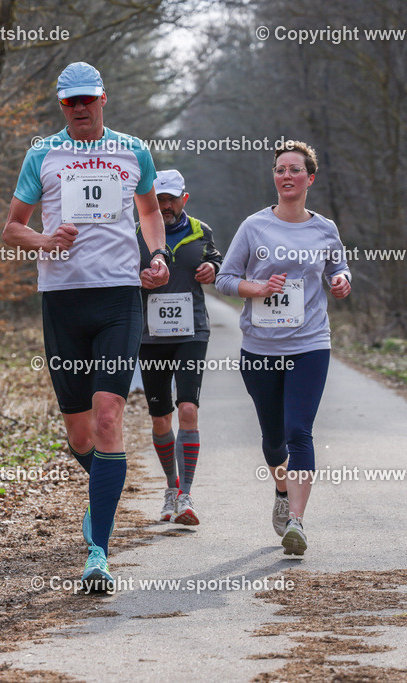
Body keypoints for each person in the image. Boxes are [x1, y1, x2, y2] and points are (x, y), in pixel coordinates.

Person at [2, 62, 170, 591]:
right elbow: (12, 229)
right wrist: (44, 242)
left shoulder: (133, 151)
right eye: (69, 102)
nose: (79, 109)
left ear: (103, 99)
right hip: (62, 301)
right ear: (61, 106)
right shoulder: (42, 155)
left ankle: (98, 550)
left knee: (108, 416)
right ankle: (104, 488)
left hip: (120, 298)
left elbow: (149, 212)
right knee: (80, 432)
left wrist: (159, 254)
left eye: (87, 100)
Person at [214, 141, 351, 556]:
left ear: (310, 178)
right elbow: (223, 279)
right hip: (260, 348)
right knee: (274, 440)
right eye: (279, 169)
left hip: (310, 344)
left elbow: (338, 267)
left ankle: (296, 520)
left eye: (294, 169)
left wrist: (343, 280)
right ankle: (280, 486)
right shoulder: (254, 227)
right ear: (274, 177)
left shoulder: (324, 228)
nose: (286, 175)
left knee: (298, 432)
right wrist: (253, 287)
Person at [136, 169, 223, 526]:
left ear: (184, 199)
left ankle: (186, 495)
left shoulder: (202, 231)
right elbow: (118, 275)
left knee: (188, 408)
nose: (166, 206)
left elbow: (221, 262)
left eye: (171, 199)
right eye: (159, 199)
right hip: (149, 337)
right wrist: (136, 278)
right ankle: (170, 488)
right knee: (161, 418)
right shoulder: (137, 233)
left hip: (192, 333)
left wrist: (212, 268)